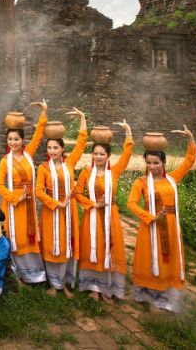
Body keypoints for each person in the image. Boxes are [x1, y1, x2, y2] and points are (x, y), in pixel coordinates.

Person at [128, 126, 196, 313]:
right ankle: (146, 294)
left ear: (163, 163)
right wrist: (150, 217)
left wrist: (190, 139)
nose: (152, 166)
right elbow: (131, 203)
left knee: (168, 260)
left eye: (156, 163)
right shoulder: (140, 182)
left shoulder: (172, 179)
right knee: (149, 258)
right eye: (149, 162)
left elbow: (190, 161)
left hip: (171, 226)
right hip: (150, 226)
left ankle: (165, 298)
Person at [74, 121, 134, 302]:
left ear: (108, 156)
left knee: (109, 249)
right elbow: (77, 193)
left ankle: (108, 288)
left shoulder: (114, 171)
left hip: (111, 217)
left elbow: (127, 154)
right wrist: (92, 204)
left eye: (102, 154)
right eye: (95, 153)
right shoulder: (86, 172)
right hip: (91, 216)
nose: (98, 157)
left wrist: (128, 132)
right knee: (94, 249)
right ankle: (94, 287)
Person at [0, 100, 48, 285]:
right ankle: (16, 276)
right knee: (15, 237)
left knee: (29, 236)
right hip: (13, 204)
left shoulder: (28, 154)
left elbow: (39, 136)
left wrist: (43, 114)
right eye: (10, 139)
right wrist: (16, 197)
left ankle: (34, 275)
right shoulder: (4, 161)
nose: (13, 142)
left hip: (29, 203)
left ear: (22, 140)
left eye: (16, 139)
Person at [35, 108, 88, 298]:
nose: (52, 151)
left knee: (67, 244)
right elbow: (39, 191)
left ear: (62, 149)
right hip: (52, 211)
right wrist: (56, 204)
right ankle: (53, 283)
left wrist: (82, 118)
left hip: (69, 212)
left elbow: (82, 142)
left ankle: (64, 283)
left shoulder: (70, 163)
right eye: (49, 148)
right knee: (51, 245)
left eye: (55, 148)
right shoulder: (43, 168)